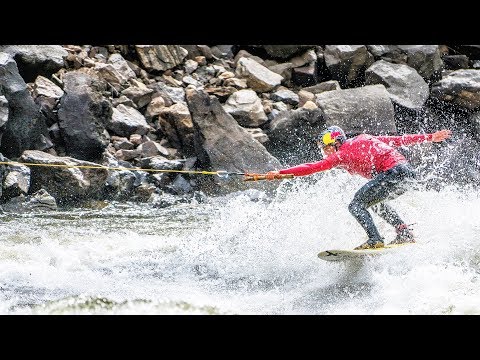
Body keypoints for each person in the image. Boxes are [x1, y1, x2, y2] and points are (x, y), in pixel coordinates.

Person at [264, 125, 452, 250]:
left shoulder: (341, 154)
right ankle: (404, 233)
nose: (325, 152)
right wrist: (429, 137)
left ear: (335, 143)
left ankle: (375, 240)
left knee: (356, 205)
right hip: (408, 174)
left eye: (326, 147)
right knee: (375, 202)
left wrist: (280, 173)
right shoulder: (364, 138)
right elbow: (398, 140)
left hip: (394, 173)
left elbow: (311, 167)